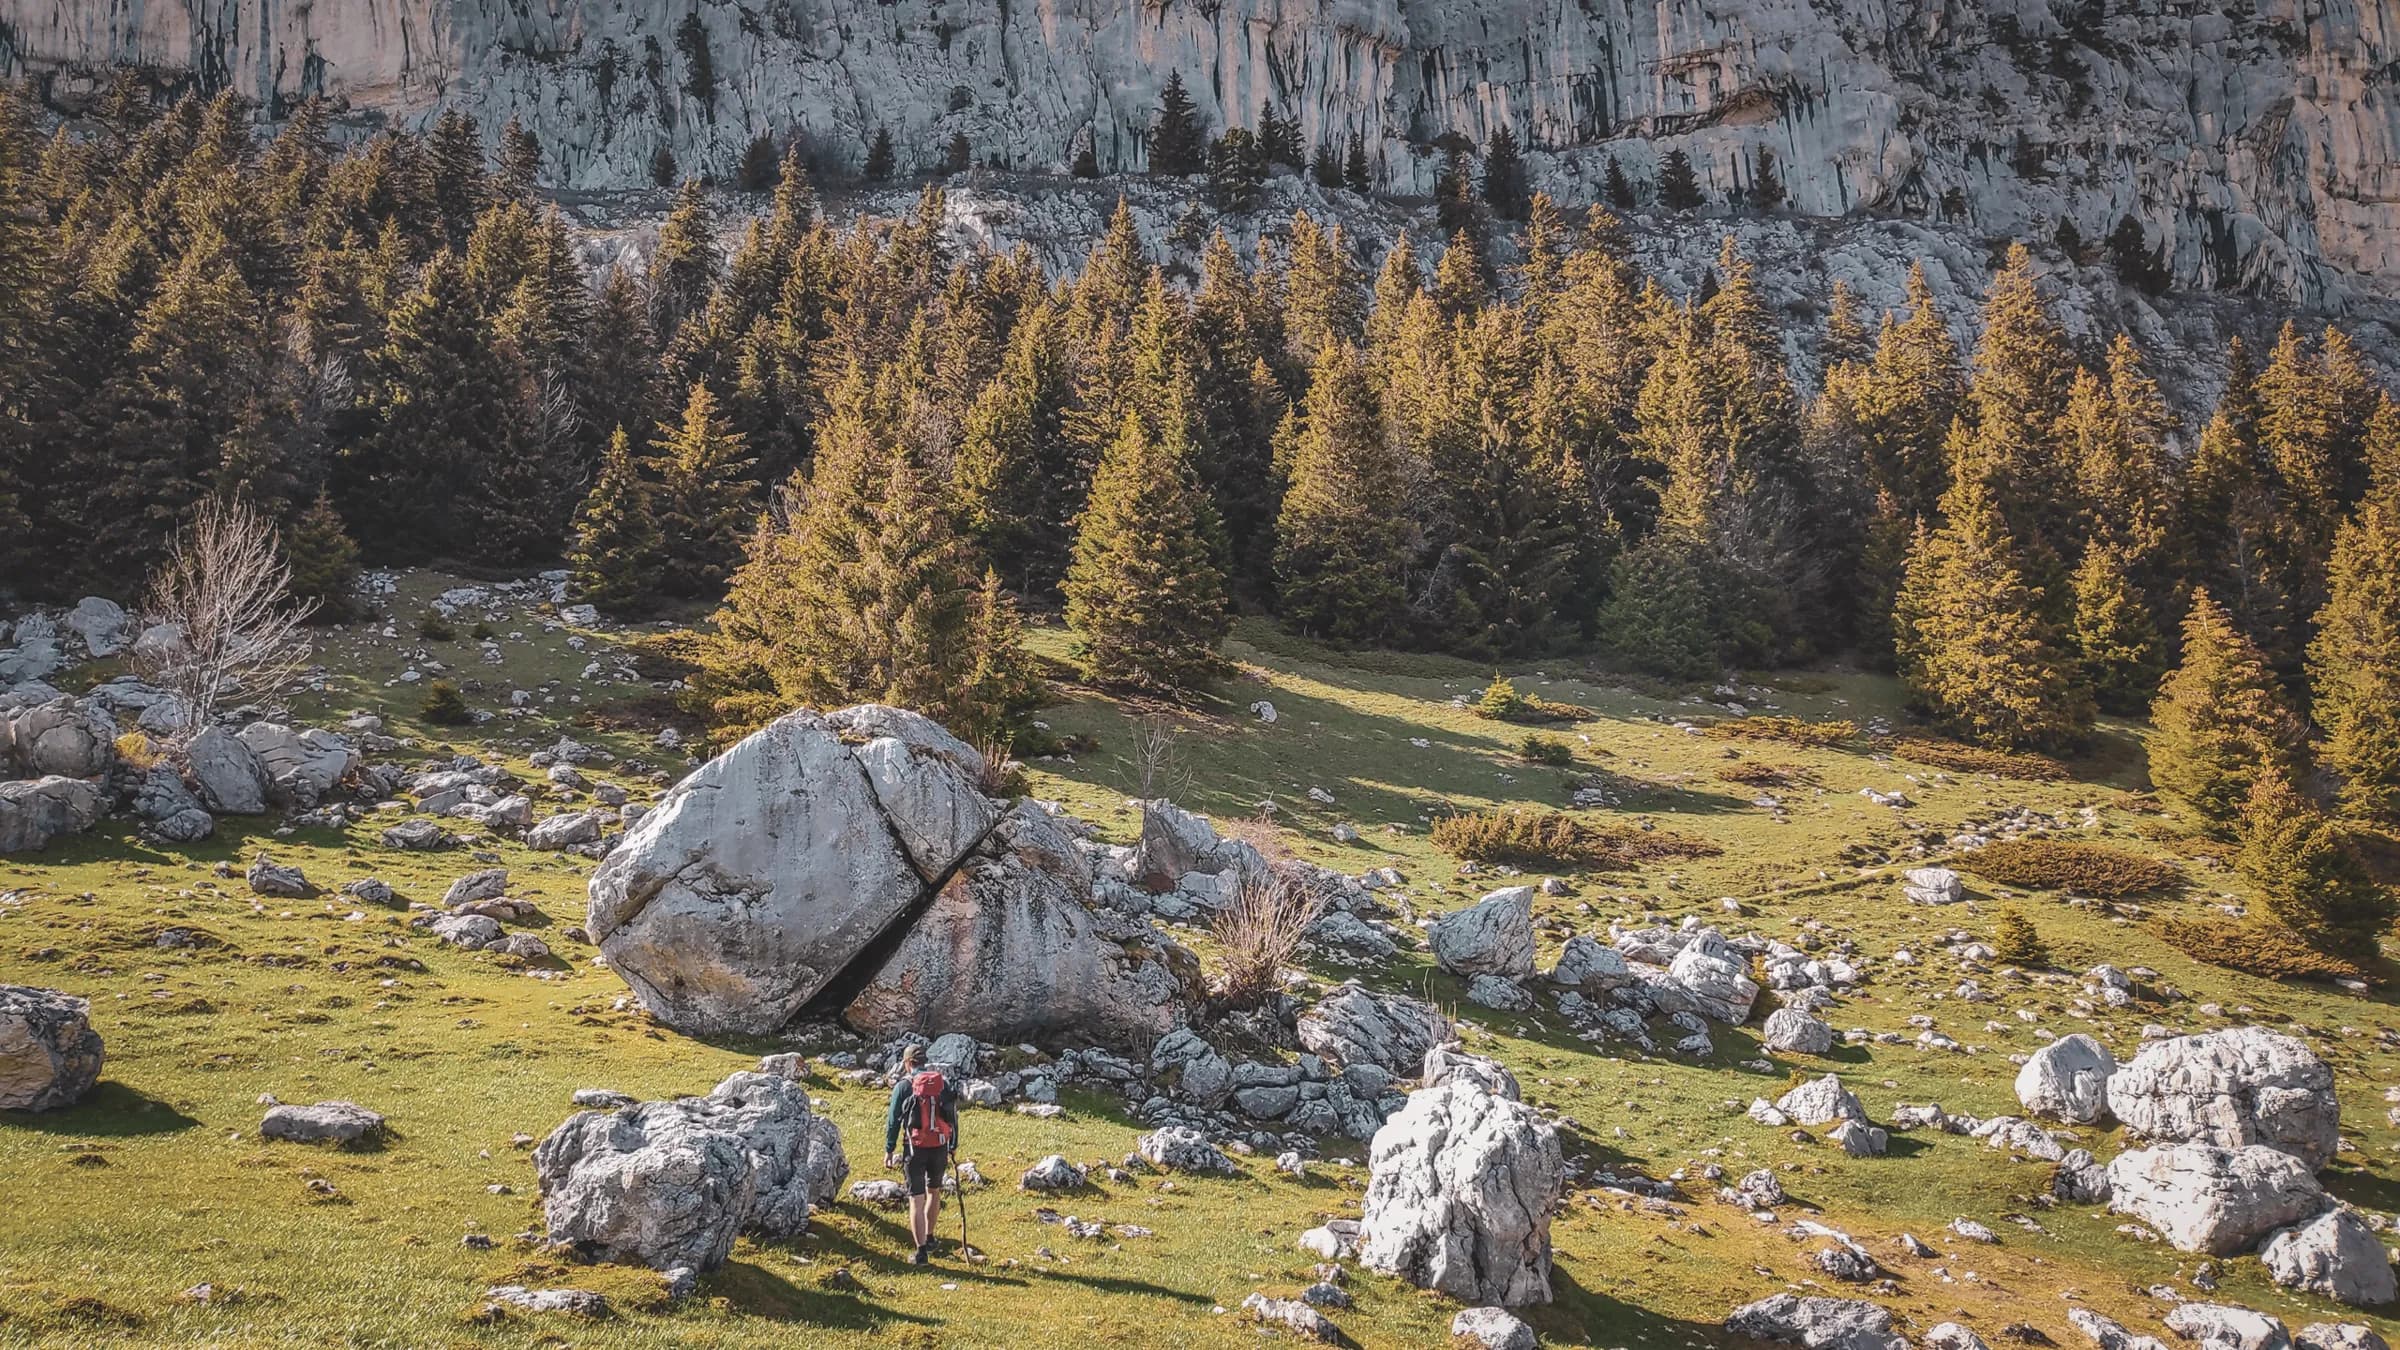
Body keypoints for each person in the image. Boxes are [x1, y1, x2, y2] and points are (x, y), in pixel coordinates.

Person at [883, 1044, 960, 1265]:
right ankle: (931, 1237)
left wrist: (889, 1149)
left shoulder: (903, 1086)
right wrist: (953, 1144)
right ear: (925, 1061)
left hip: (914, 1149)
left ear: (908, 1063)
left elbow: (893, 1120)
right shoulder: (942, 1084)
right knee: (934, 1191)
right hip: (939, 1147)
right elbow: (952, 1116)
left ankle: (921, 1252)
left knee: (916, 1199)